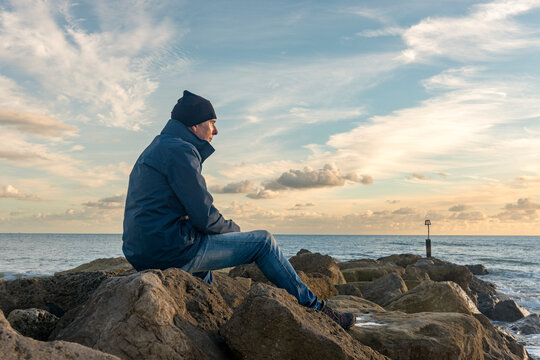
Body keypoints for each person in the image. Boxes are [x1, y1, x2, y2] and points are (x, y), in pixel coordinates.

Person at [122, 90, 355, 330]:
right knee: (263, 241)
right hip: (169, 251)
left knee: (205, 264)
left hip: (142, 251)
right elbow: (204, 216)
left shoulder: (157, 147)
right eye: (212, 123)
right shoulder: (180, 151)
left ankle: (214, 318)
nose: (216, 131)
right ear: (194, 125)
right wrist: (234, 231)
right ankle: (318, 310)